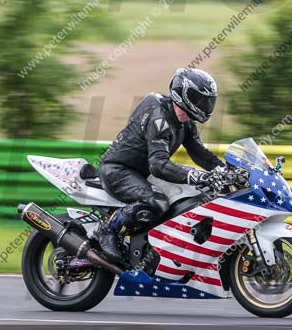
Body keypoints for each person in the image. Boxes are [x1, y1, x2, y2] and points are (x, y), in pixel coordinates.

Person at [95, 68, 225, 261]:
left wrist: (225, 171)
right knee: (158, 203)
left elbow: (200, 154)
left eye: (208, 100)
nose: (205, 105)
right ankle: (107, 231)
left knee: (198, 195)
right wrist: (195, 175)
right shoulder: (159, 116)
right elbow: (158, 165)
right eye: (200, 99)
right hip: (118, 170)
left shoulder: (186, 121)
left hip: (143, 172)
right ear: (185, 95)